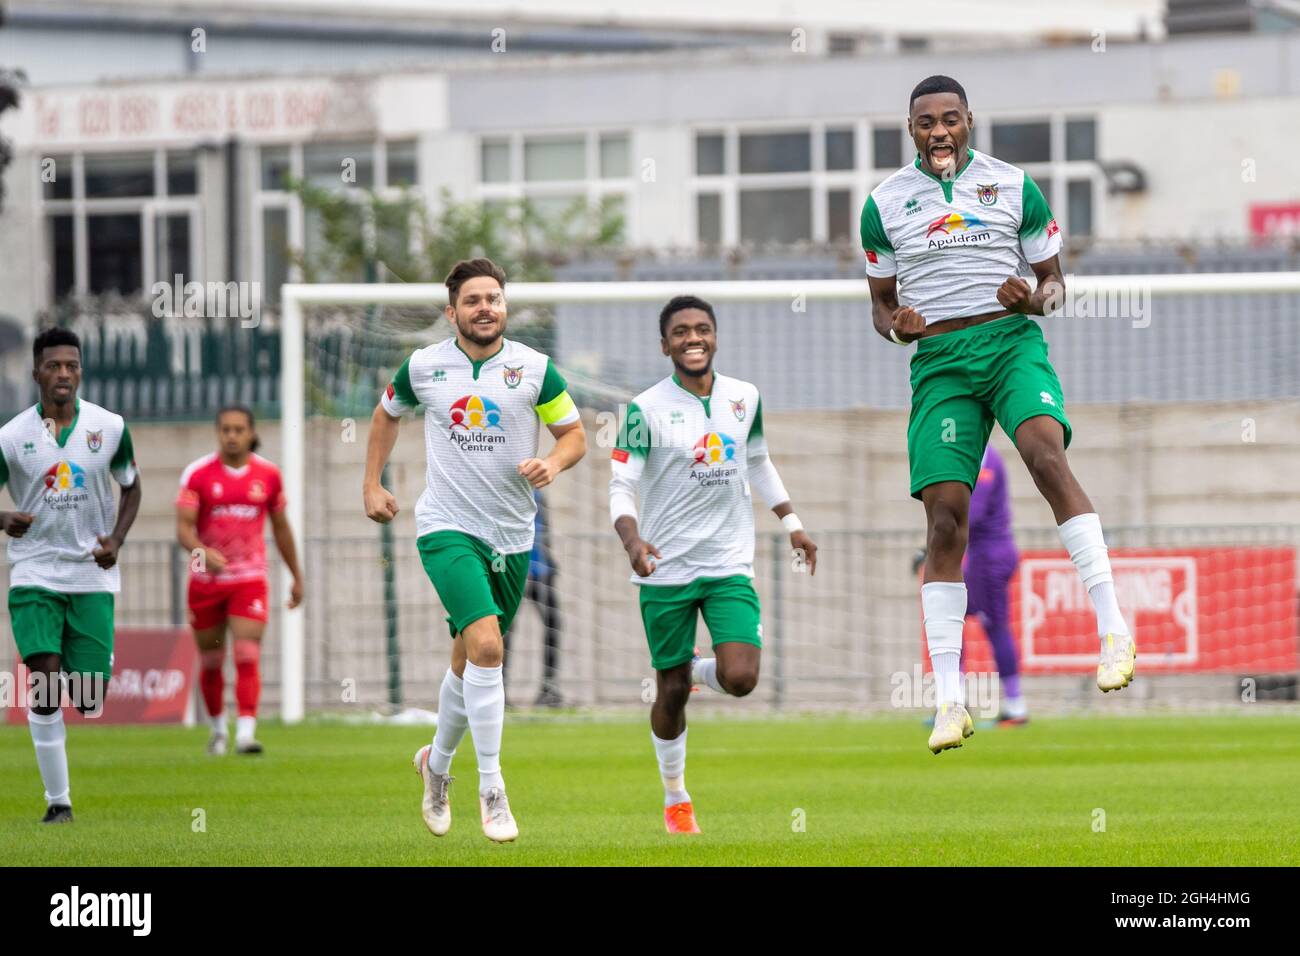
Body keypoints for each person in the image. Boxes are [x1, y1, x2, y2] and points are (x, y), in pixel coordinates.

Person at [862, 74, 1134, 754]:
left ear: (969, 121)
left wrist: (1032, 301)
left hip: (1010, 341)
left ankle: (1113, 629)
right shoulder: (884, 204)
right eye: (927, 122)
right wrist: (899, 326)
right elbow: (879, 304)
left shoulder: (1015, 186)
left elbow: (1055, 285)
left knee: (1046, 454)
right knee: (945, 516)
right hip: (941, 359)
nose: (940, 132)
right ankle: (950, 703)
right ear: (911, 130)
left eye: (950, 119)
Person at [364, 257, 586, 843]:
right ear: (452, 312)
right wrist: (372, 482)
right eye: (472, 300)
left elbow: (575, 434)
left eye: (493, 298)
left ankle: (434, 768)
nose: (484, 307)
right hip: (447, 528)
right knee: (490, 647)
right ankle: (492, 787)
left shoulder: (535, 370)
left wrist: (553, 462)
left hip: (513, 537)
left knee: (468, 658)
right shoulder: (424, 367)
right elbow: (385, 414)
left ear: (504, 307)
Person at [610, 295, 818, 834]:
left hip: (728, 564)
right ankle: (676, 796)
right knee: (670, 691)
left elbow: (757, 462)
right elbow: (622, 485)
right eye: (681, 332)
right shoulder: (641, 409)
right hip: (665, 569)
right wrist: (632, 540)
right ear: (665, 345)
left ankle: (702, 670)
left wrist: (792, 522)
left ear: (716, 337)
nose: (693, 338)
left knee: (742, 678)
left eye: (702, 329)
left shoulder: (745, 397)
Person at [0, 327, 141, 822]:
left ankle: (79, 682)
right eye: (54, 365)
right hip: (34, 571)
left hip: (90, 576)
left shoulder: (109, 428)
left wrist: (116, 541)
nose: (64, 374)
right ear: (36, 371)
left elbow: (132, 487)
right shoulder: (12, 437)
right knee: (42, 679)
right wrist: (3, 519)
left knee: (89, 697)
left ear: (80, 371)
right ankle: (58, 803)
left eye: (72, 365)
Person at [176, 405, 304, 756]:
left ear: (251, 433)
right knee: (213, 660)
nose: (231, 436)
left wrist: (296, 575)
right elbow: (183, 530)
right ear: (218, 433)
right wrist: (203, 553)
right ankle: (218, 730)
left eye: (238, 429)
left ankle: (246, 733)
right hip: (205, 583)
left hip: (249, 580)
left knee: (247, 653)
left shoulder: (268, 476)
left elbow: (280, 528)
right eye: (226, 430)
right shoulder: (198, 475)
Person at [965, 445, 1027, 724]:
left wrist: (935, 543)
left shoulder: (984, 456)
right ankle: (954, 702)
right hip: (980, 555)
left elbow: (972, 513)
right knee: (948, 617)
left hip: (990, 557)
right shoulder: (973, 452)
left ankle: (1016, 707)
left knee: (996, 626)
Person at [502, 488, 564, 708]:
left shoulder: (538, 495)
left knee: (554, 624)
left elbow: (545, 531)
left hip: (541, 572)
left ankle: (549, 688)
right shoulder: (503, 492)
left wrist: (549, 561)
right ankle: (499, 691)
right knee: (504, 630)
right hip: (511, 570)